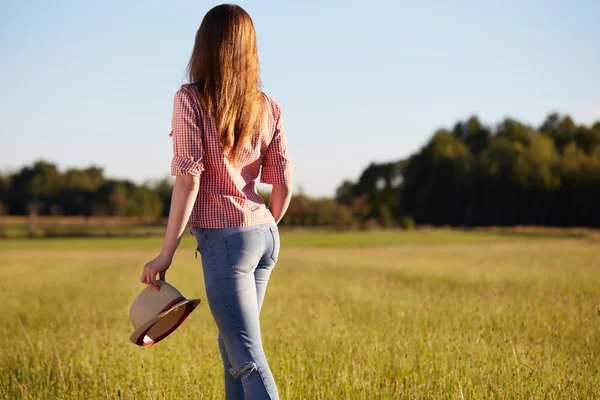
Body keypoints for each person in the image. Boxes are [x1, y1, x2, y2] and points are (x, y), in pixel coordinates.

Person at [140, 4, 292, 399]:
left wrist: (165, 255)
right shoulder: (269, 106)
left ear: (203, 46)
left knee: (247, 359)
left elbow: (189, 179)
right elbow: (283, 186)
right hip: (265, 234)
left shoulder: (189, 99)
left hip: (227, 240)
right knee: (232, 353)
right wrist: (262, 227)